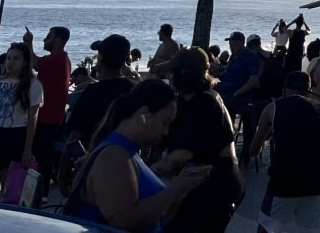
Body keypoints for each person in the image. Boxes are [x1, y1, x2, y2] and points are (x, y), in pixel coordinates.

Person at [68, 79, 209, 232]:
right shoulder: (114, 156)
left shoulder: (127, 153)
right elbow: (125, 220)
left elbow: (157, 218)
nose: (166, 132)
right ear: (144, 115)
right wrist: (175, 189)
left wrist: (180, 191)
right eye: (165, 122)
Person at [157, 48, 243, 233]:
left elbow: (180, 156)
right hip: (202, 181)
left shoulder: (204, 103)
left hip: (215, 185)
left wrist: (147, 171)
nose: (169, 77)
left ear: (184, 75)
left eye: (173, 72)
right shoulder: (188, 101)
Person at [249, 71, 320, 233]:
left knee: (266, 229)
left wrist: (268, 136)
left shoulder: (272, 109)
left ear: (284, 92)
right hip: (317, 181)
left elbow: (253, 151)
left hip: (283, 182)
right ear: (308, 93)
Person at [61, 34, 134, 192]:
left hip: (93, 162)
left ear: (101, 61)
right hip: (128, 163)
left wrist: (62, 173)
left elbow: (75, 136)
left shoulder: (92, 92)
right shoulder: (134, 90)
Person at [0, 39, 43, 201]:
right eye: (9, 58)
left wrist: (27, 149)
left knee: (10, 192)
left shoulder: (33, 85)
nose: (10, 62)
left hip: (15, 136)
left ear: (25, 62)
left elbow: (32, 119)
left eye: (16, 58)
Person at [24, 25, 72, 206]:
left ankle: (40, 192)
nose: (45, 40)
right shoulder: (60, 59)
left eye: (48, 37)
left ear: (58, 40)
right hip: (52, 116)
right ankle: (39, 190)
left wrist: (29, 43)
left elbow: (35, 63)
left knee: (41, 155)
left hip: (48, 116)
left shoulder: (57, 59)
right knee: (43, 155)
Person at [215, 32, 262, 119]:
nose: (232, 47)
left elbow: (254, 80)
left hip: (239, 96)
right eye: (230, 45)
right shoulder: (233, 56)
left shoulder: (250, 55)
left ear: (242, 43)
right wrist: (217, 72)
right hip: (226, 91)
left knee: (215, 103)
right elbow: (226, 76)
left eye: (234, 45)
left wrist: (236, 93)